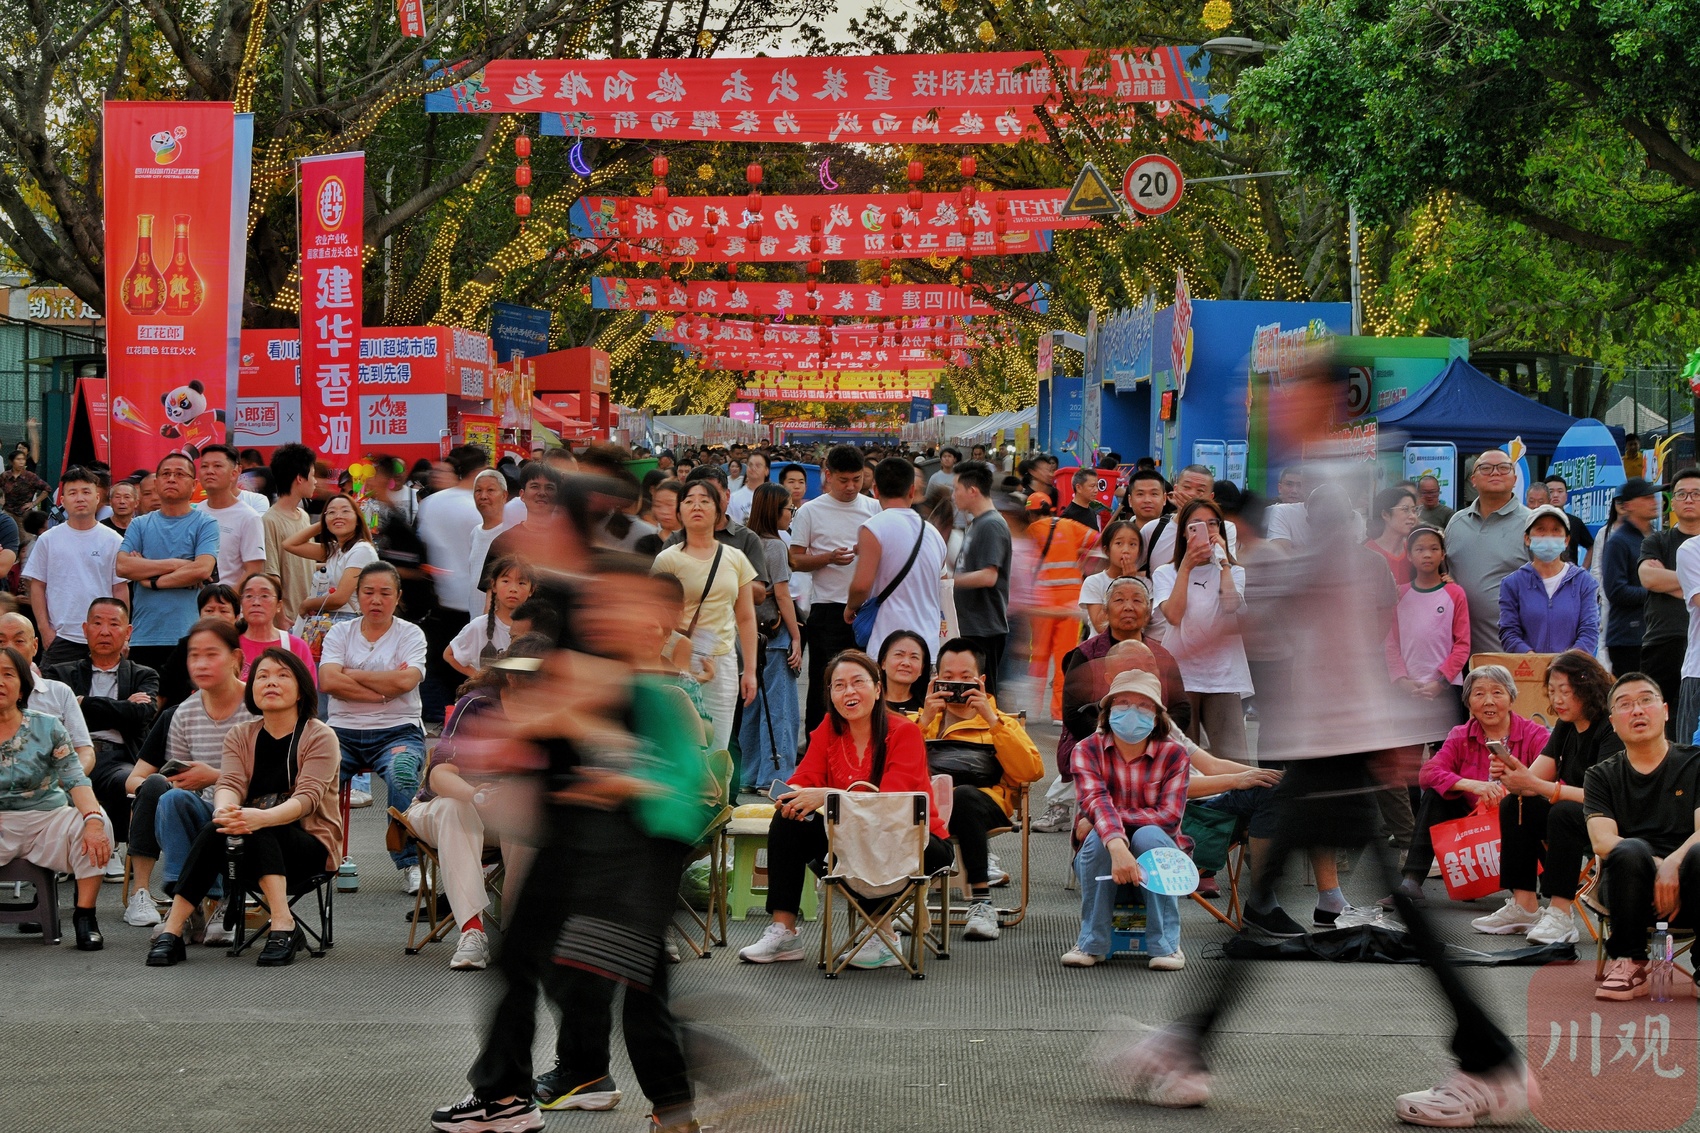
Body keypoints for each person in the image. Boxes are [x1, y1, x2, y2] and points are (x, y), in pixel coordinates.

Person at [738, 650, 953, 968]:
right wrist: (794, 795)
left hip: (917, 843)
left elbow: (892, 806)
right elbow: (805, 778)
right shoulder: (829, 728)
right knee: (789, 820)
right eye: (839, 685)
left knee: (873, 836)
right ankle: (785, 933)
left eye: (857, 682)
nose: (848, 692)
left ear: (877, 689)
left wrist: (827, 796)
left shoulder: (903, 732)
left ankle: (884, 936)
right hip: (851, 837)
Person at [144, 648, 342, 968]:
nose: (270, 682)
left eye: (282, 675)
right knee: (221, 825)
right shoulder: (241, 735)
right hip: (246, 846)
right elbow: (230, 784)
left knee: (255, 828)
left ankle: (283, 923)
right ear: (252, 689)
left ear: (301, 690)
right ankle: (173, 930)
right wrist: (225, 812)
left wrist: (259, 818)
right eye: (262, 676)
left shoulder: (320, 735)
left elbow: (307, 799)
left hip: (310, 848)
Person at [403, 635, 550, 971]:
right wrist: (476, 794)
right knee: (457, 808)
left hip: (504, 819)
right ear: (511, 676)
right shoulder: (478, 705)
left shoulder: (552, 714)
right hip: (438, 808)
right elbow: (439, 775)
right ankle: (472, 932)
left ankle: (517, 936)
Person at [1470, 650, 1619, 945]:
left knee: (1563, 812)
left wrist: (1535, 784)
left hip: (1611, 818)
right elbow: (1532, 782)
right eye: (1552, 691)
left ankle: (1561, 913)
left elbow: (1603, 795)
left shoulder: (1609, 727)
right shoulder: (1565, 725)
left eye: (1565, 691)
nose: (1557, 699)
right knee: (1515, 804)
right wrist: (1509, 772)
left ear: (1587, 689)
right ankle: (1524, 905)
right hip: (1576, 814)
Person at [122, 618, 259, 938]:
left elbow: (277, 777)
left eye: (211, 654)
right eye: (194, 655)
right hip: (200, 811)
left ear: (236, 659)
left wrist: (214, 777)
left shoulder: (258, 708)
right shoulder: (181, 714)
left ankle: (212, 901)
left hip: (252, 809)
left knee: (217, 813)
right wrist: (181, 783)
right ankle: (187, 903)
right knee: (169, 796)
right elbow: (150, 778)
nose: (201, 664)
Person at [913, 638, 1043, 941]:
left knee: (963, 796)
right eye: (949, 677)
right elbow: (889, 765)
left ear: (981, 681)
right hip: (928, 806)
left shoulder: (1000, 722)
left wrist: (991, 719)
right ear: (936, 679)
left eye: (966, 677)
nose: (957, 685)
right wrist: (924, 721)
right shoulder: (920, 721)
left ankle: (981, 903)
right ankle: (904, 900)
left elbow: (1031, 771)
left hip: (984, 803)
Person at [1060, 669, 1190, 970]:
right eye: (1123, 702)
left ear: (1157, 716)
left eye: (1144, 705)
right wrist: (1117, 845)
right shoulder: (1086, 750)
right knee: (1099, 839)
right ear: (1107, 711)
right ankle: (1091, 942)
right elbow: (1094, 800)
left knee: (1147, 835)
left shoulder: (1175, 754)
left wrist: (1108, 822)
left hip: (1158, 859)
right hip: (1101, 862)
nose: (1133, 711)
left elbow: (1169, 817)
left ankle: (1167, 945)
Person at [1390, 665, 1550, 904]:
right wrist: (1472, 785)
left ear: (1511, 698)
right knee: (1435, 797)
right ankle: (1411, 881)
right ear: (1468, 702)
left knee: (1534, 805)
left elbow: (1556, 779)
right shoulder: (1460, 734)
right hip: (1472, 815)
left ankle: (1535, 886)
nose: (1488, 701)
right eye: (1479, 694)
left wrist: (1516, 788)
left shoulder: (1535, 734)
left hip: (1519, 815)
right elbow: (1428, 772)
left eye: (1497, 693)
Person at [1584, 672, 1700, 1000]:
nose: (1637, 710)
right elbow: (1601, 841)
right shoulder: (1600, 775)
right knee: (1629, 849)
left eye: (1646, 700)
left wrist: (1673, 864)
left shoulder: (1695, 764)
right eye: (1625, 704)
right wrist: (1658, 864)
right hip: (1630, 894)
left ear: (1665, 711)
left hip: (1692, 891)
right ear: (1613, 722)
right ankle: (1630, 962)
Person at [318, 562, 428, 892]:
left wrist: (350, 674)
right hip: (342, 731)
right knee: (314, 777)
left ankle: (411, 862)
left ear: (398, 597)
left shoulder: (410, 634)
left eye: (385, 593)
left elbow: (406, 682)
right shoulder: (340, 633)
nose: (376, 600)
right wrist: (383, 690)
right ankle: (317, 855)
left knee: (403, 774)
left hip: (398, 729)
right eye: (368, 592)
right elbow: (327, 680)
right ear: (357, 595)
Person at [0, 645, 112, 949]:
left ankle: (85, 916)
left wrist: (92, 820)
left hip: (46, 820)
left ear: (23, 687)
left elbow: (76, 778)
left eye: (8, 674)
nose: (0, 682)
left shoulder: (47, 726)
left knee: (98, 822)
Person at [46, 597, 158, 855]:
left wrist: (82, 702)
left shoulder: (144, 674)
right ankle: (69, 852)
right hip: (71, 755)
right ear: (85, 629)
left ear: (128, 632)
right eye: (97, 623)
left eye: (114, 624)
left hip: (117, 758)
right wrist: (122, 707)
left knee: (131, 783)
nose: (105, 631)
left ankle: (115, 846)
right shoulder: (59, 673)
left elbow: (141, 715)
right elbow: (58, 716)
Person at [651, 480, 757, 753]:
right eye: (689, 501)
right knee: (679, 743)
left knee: (717, 745)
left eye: (705, 501)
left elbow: (746, 617)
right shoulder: (667, 560)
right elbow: (653, 614)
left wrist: (750, 671)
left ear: (718, 510)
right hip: (676, 658)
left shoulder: (736, 558)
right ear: (680, 512)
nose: (697, 506)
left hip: (721, 660)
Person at [1151, 499, 1252, 765]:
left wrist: (1224, 563)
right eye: (1196, 525)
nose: (1206, 531)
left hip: (1224, 674)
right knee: (1182, 759)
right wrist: (1186, 567)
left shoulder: (1235, 571)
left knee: (1234, 759)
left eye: (1212, 524)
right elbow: (1173, 615)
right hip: (1180, 675)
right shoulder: (1166, 572)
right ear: (1184, 532)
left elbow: (1230, 605)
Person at [791, 445, 879, 731]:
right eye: (844, 480)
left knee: (866, 683)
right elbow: (794, 560)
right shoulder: (810, 511)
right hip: (828, 608)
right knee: (825, 683)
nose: (851, 487)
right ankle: (818, 741)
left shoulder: (874, 508)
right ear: (828, 476)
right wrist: (828, 558)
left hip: (867, 610)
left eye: (857, 479)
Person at [115, 452, 219, 673]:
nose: (171, 479)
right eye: (165, 474)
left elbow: (202, 569)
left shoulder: (205, 523)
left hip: (189, 636)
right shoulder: (139, 524)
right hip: (144, 636)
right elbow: (123, 566)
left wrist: (151, 581)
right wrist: (179, 564)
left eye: (179, 474)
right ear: (156, 483)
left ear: (194, 485)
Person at [24, 466, 126, 668]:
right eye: (73, 493)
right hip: (60, 636)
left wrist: (120, 632)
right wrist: (45, 630)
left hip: (104, 635)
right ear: (62, 501)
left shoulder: (114, 540)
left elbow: (120, 589)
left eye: (86, 492)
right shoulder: (48, 540)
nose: (80, 498)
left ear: (97, 497)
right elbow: (37, 586)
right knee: (54, 688)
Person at [847, 456, 947, 659]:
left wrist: (850, 607)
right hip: (928, 644)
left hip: (889, 642)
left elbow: (861, 586)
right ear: (912, 490)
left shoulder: (873, 528)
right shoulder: (933, 533)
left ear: (876, 490)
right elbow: (943, 582)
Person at [416, 446, 489, 721]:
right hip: (476, 599)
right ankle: (466, 715)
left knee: (440, 661)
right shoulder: (478, 507)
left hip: (442, 597)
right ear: (479, 470)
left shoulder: (431, 503)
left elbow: (425, 544)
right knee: (471, 664)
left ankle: (441, 716)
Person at [739, 484, 803, 790]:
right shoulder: (775, 546)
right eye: (789, 508)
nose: (791, 514)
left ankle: (747, 775)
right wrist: (797, 637)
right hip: (775, 635)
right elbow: (782, 594)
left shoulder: (744, 541)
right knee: (779, 708)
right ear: (774, 511)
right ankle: (776, 776)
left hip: (749, 634)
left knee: (751, 707)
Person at [1443, 451, 1533, 655]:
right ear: (1473, 479)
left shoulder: (1531, 524)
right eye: (1485, 468)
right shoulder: (1457, 523)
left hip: (1514, 652)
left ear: (1514, 479)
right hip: (1460, 651)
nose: (1495, 473)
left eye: (1503, 468)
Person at [1385, 526, 1471, 731]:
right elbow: (1391, 643)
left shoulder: (1455, 593)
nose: (1427, 554)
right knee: (1407, 746)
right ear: (1409, 555)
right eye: (1419, 549)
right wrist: (1402, 681)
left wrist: (1441, 682)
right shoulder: (1399, 595)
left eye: (1434, 549)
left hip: (1445, 690)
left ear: (1443, 554)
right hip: (1407, 690)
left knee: (1446, 748)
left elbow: (1462, 644)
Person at [1025, 496, 1099, 720]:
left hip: (1042, 602)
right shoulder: (1069, 526)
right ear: (1052, 509)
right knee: (1064, 658)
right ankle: (1058, 713)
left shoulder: (1029, 532)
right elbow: (1098, 540)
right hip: (1070, 601)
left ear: (1030, 513)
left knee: (1038, 657)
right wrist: (1082, 558)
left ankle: (1032, 710)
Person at [1638, 466, 1700, 727]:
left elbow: (1660, 580)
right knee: (1657, 722)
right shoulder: (1657, 541)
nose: (1689, 499)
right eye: (1682, 494)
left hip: (1695, 645)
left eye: (1696, 494)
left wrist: (1670, 581)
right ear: (1672, 502)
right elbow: (1648, 578)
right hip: (1663, 640)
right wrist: (1693, 582)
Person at [284, 491, 380, 658]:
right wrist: (325, 523)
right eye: (331, 512)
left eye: (345, 511)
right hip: (330, 622)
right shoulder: (336, 550)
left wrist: (306, 605)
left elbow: (340, 598)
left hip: (348, 623)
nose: (338, 515)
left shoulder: (362, 550)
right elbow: (289, 544)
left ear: (358, 519)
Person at [1497, 505, 1601, 655]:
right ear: (1527, 539)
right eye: (1541, 529)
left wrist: (1567, 662)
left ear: (1566, 540)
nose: (1548, 536)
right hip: (1527, 666)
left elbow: (1589, 631)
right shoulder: (1512, 584)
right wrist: (1532, 658)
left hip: (1572, 666)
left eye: (1556, 530)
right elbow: (1508, 632)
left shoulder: (1584, 582)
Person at [951, 461, 1013, 698]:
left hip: (984, 628)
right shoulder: (977, 523)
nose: (953, 495)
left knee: (983, 697)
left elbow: (989, 576)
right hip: (972, 625)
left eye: (956, 489)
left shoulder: (991, 525)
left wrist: (949, 581)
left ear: (972, 491)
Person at [1601, 477, 1659, 675]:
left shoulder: (1656, 538)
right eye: (1647, 498)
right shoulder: (1618, 542)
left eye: (1654, 497)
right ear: (1629, 505)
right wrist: (1656, 590)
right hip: (1628, 639)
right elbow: (1616, 591)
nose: (1654, 502)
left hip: (1656, 634)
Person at [448, 556, 534, 678]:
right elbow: (450, 654)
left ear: (531, 590)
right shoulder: (479, 625)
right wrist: (478, 677)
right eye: (506, 581)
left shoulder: (537, 626)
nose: (513, 589)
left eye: (521, 583)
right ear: (493, 585)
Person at [155, 584, 240, 708]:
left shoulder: (242, 643)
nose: (215, 616)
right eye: (209, 611)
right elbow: (164, 688)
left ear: (237, 617)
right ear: (200, 615)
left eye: (223, 611)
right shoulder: (186, 644)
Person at [194, 445, 266, 590]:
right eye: (204, 466)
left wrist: (227, 599)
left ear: (234, 473)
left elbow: (254, 569)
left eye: (217, 466)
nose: (209, 471)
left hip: (227, 601)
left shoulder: (249, 517)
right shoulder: (195, 512)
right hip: (192, 601)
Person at [1140, 465, 1235, 573]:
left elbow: (1227, 568)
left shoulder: (1224, 528)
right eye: (1186, 487)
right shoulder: (1152, 529)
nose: (1192, 494)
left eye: (1200, 490)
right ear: (1175, 490)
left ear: (1211, 497)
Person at [261, 444, 317, 629]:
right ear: (300, 478)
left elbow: (306, 564)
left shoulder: (304, 516)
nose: (315, 481)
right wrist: (281, 616)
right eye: (312, 475)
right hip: (288, 620)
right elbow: (271, 573)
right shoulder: (269, 520)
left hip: (308, 616)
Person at [237, 573, 318, 680]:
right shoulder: (231, 645)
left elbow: (308, 688)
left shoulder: (296, 646)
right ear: (241, 605)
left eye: (264, 596)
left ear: (279, 605)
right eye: (249, 596)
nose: (256, 602)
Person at [1079, 520, 1142, 636]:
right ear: (1106, 550)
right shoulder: (1094, 582)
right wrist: (1122, 583)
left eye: (1132, 544)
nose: (1126, 550)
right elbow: (1100, 626)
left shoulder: (1145, 584)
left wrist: (1132, 583)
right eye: (1119, 543)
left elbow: (1142, 623)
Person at [467, 469, 515, 614]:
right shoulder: (475, 533)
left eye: (490, 490)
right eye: (478, 491)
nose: (483, 496)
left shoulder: (511, 534)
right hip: (475, 619)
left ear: (504, 495)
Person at [1365, 486, 1420, 585]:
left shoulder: (1415, 551)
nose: (1412, 516)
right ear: (1385, 514)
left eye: (1414, 510)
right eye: (1405, 509)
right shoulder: (1367, 553)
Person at [1542, 475, 1594, 566]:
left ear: (1566, 496)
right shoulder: (1536, 521)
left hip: (1569, 573)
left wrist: (1583, 570)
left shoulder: (1575, 522)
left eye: (1560, 491)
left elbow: (1591, 547)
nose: (1555, 495)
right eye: (1551, 491)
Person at [878, 630, 933, 715]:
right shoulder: (870, 703)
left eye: (914, 657)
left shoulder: (929, 707)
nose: (906, 663)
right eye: (899, 655)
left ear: (922, 668)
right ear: (883, 662)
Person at [0, 449, 47, 523]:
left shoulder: (30, 476)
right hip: (8, 513)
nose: (21, 462)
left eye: (23, 459)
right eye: (18, 459)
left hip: (24, 514)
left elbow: (47, 489)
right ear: (11, 461)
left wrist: (34, 503)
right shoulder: (5, 476)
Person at [727, 451, 769, 525]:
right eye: (750, 465)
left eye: (758, 465)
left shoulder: (774, 496)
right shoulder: (733, 498)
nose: (753, 468)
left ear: (766, 470)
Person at [650, 478, 682, 542]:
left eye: (670, 504)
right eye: (658, 505)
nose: (664, 511)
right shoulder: (647, 543)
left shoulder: (699, 541)